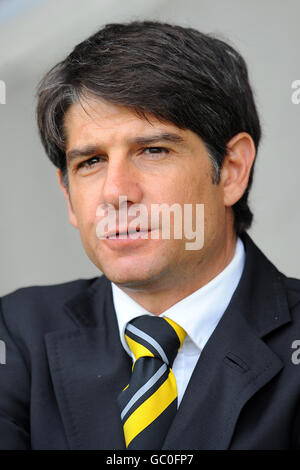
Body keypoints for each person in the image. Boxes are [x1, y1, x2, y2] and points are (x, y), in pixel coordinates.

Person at [0, 20, 299, 450]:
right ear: (68, 196)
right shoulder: (16, 336)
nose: (116, 192)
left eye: (153, 150)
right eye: (91, 162)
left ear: (232, 170)